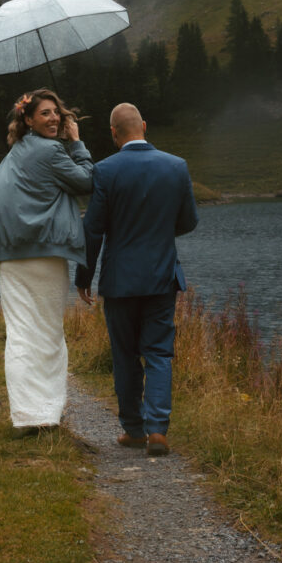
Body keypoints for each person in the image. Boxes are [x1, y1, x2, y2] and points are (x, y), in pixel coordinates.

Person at [75, 102, 198, 456]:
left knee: (125, 355)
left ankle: (134, 429)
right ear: (144, 125)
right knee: (159, 353)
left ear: (114, 133)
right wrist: (160, 230)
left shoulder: (105, 170)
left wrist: (84, 276)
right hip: (162, 278)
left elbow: (93, 230)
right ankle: (158, 431)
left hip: (120, 281)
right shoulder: (176, 166)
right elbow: (188, 222)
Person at [0, 88, 93, 438]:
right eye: (45, 113)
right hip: (43, 254)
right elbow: (88, 181)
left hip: (9, 256)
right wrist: (76, 143)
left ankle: (25, 415)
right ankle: (45, 414)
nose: (54, 118)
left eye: (56, 112)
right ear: (27, 119)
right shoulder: (51, 151)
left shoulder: (14, 154)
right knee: (47, 334)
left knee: (20, 334)